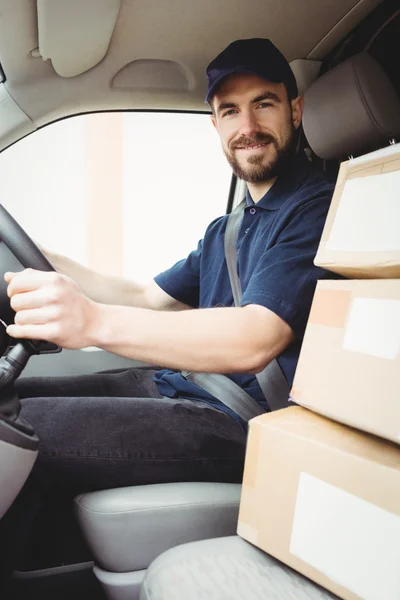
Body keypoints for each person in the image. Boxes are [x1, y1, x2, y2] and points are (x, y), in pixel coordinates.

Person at [2, 38, 337, 573]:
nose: (246, 124)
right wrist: (34, 262)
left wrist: (92, 323)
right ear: (215, 124)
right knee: (13, 397)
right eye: (230, 109)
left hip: (239, 420)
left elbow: (258, 336)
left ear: (295, 110)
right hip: (177, 386)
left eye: (264, 103)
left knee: (15, 431)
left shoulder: (315, 208)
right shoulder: (225, 230)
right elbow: (144, 296)